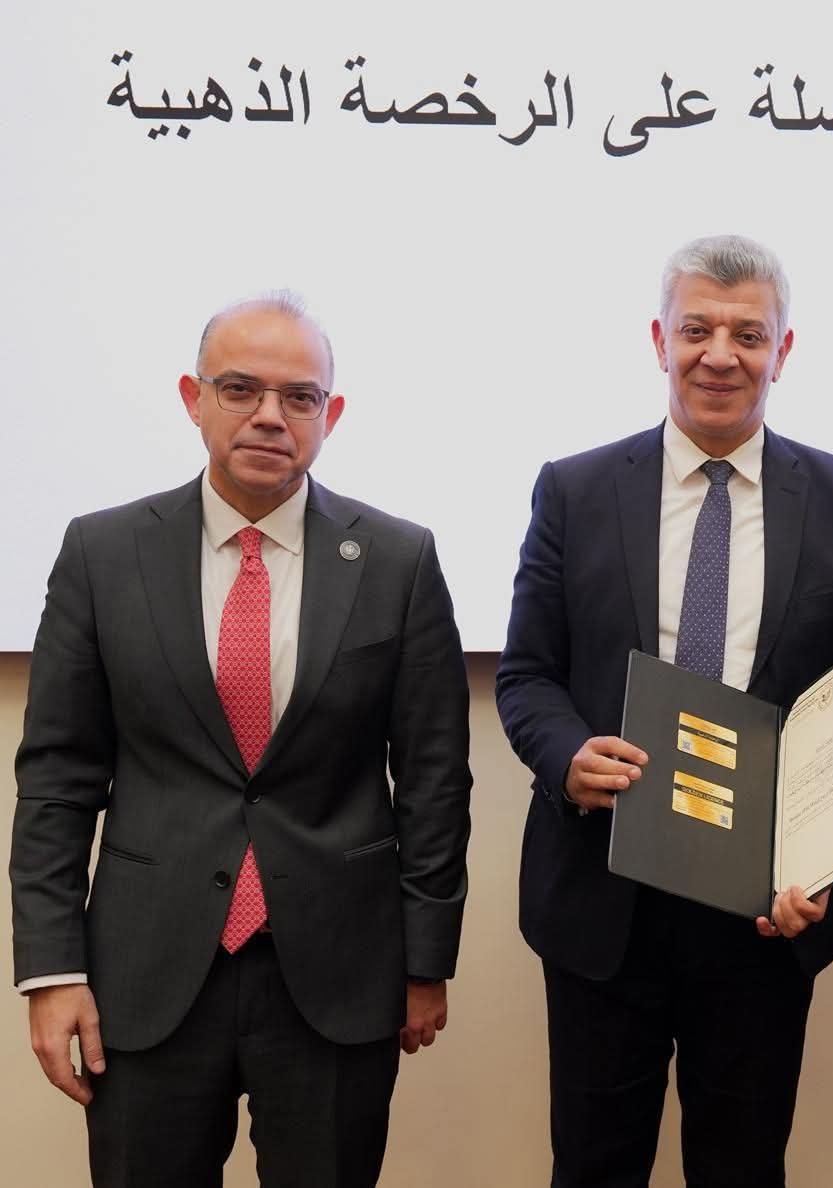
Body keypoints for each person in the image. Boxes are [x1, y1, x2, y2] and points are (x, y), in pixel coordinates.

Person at [10, 293, 472, 1186]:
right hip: (146, 973)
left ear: (331, 414)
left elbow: (434, 782)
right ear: (194, 399)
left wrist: (425, 963)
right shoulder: (104, 553)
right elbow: (59, 779)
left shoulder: (397, 560)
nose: (270, 415)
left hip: (337, 975)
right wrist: (52, 969)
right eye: (240, 389)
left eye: (299, 397)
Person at [496, 234, 833, 1188]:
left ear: (782, 351)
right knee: (594, 1168)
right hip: (605, 897)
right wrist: (566, 758)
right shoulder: (575, 489)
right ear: (660, 340)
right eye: (697, 330)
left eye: (748, 335)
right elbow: (526, 675)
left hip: (762, 909)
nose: (721, 355)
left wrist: (819, 854)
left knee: (743, 1168)